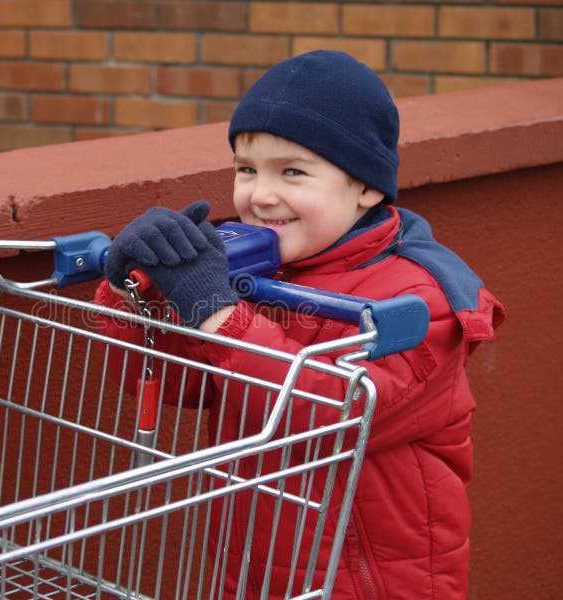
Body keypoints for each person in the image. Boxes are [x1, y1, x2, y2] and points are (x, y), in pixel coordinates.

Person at [94, 50, 505, 599]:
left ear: (366, 187)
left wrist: (214, 308)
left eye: (292, 171)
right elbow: (179, 381)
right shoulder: (250, 275)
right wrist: (133, 291)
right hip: (255, 575)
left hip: (365, 585)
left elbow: (326, 415)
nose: (259, 196)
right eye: (246, 170)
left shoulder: (419, 302)